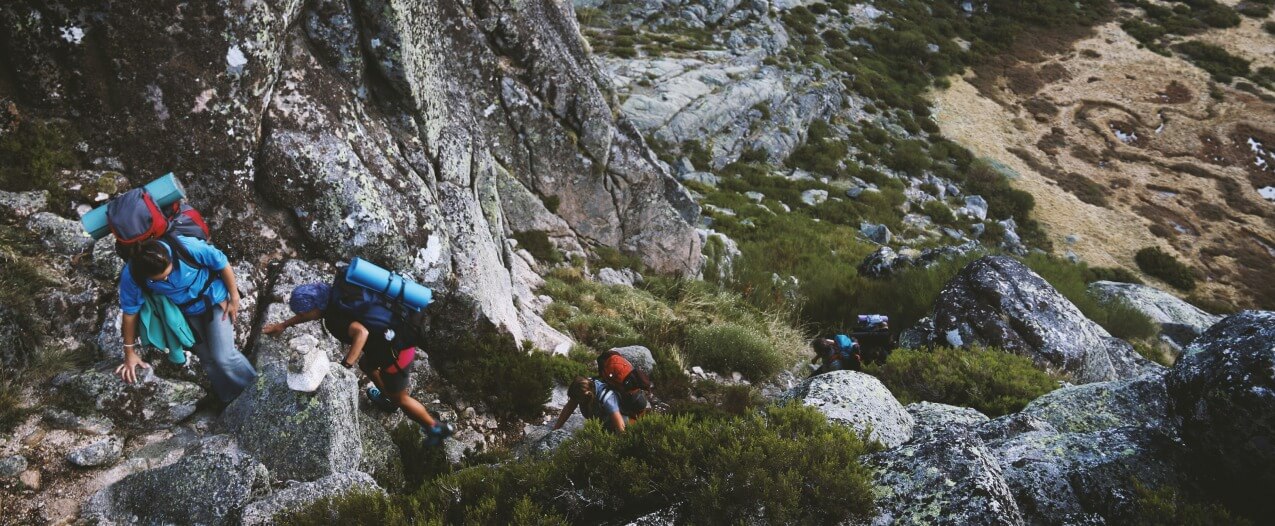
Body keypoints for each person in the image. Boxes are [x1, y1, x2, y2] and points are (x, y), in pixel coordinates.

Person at [262, 282, 453, 444]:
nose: (303, 317)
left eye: (304, 314)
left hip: (398, 350)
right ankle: (388, 398)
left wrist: (344, 366)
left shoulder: (334, 319)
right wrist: (283, 325)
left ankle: (435, 427)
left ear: (316, 307)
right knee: (367, 366)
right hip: (387, 339)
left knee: (400, 398)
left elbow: (362, 333)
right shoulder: (337, 293)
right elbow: (309, 312)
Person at [115, 237, 257, 402]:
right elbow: (130, 312)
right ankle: (229, 400)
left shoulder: (185, 247)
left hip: (214, 300)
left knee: (224, 356)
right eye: (160, 280)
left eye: (169, 273)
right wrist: (129, 353)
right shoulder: (132, 275)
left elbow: (221, 262)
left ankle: (257, 392)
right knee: (207, 360)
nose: (167, 280)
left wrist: (234, 297)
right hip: (187, 313)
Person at [552, 376, 636, 432]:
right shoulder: (584, 387)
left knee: (624, 424)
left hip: (622, 417)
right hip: (604, 419)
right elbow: (569, 408)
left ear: (587, 394)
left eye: (577, 400)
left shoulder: (607, 398)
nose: (574, 402)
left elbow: (620, 426)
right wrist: (555, 429)